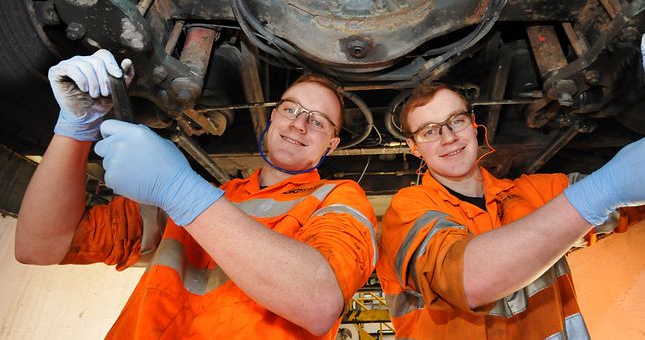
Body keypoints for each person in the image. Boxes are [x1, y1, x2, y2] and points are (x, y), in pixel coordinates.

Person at [15, 49, 378, 339]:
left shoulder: (337, 198)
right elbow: (40, 246)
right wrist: (75, 129)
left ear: (331, 145)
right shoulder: (207, 196)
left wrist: (180, 191)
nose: (299, 123)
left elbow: (318, 302)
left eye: (317, 121)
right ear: (271, 119)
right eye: (290, 109)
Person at [376, 34, 645, 339]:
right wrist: (601, 189)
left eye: (456, 121)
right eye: (430, 130)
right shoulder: (407, 212)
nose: (448, 137)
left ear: (474, 125)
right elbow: (469, 281)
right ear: (414, 147)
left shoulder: (538, 192)